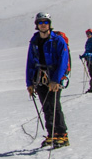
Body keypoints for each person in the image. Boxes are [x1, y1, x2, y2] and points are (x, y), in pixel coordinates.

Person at [26, 12, 69, 147]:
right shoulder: (34, 41)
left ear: (49, 24)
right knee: (46, 107)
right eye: (40, 22)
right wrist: (29, 83)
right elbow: (30, 62)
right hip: (39, 78)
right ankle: (51, 134)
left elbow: (63, 60)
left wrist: (56, 80)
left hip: (53, 78)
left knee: (55, 105)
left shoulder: (58, 40)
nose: (43, 25)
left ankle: (62, 134)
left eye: (45, 22)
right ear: (37, 25)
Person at [80, 28, 92, 92]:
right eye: (87, 34)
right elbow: (87, 50)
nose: (87, 35)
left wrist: (88, 54)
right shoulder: (88, 41)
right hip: (88, 59)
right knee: (91, 73)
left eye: (89, 34)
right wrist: (83, 55)